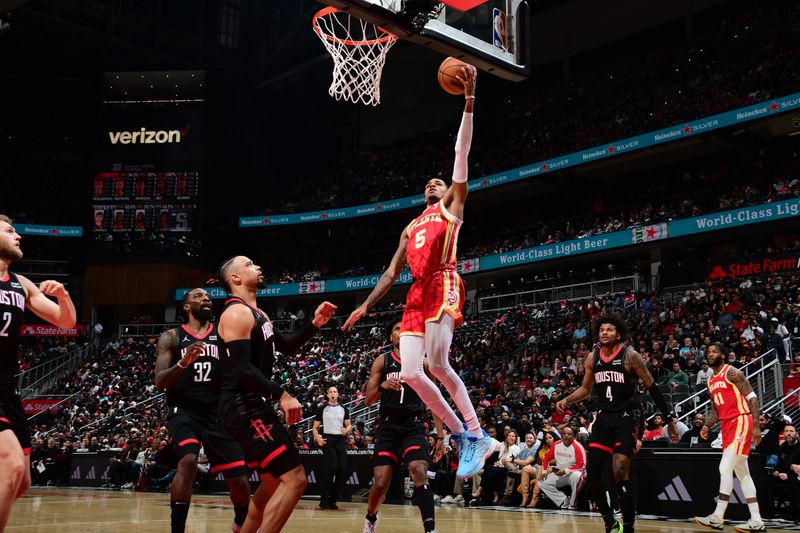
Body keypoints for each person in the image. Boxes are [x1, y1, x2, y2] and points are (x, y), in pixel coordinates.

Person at [342, 66, 497, 479]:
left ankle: (478, 434)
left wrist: (468, 103)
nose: (434, 182)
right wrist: (364, 306)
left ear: (448, 189)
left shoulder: (452, 206)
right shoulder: (410, 227)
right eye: (428, 182)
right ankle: (462, 435)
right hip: (414, 294)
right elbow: (391, 273)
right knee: (411, 372)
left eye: (439, 180)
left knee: (440, 363)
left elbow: (461, 154)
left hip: (444, 281)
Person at [216, 255, 336, 533]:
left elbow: (287, 346)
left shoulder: (260, 314)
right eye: (248, 265)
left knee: (271, 483)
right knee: (295, 479)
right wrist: (281, 394)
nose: (257, 266)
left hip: (248, 404)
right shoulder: (235, 313)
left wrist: (315, 323)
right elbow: (240, 369)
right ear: (235, 279)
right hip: (242, 404)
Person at [556, 315, 675, 533]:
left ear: (618, 334)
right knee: (592, 475)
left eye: (609, 330)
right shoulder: (593, 358)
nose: (604, 332)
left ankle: (628, 524)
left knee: (620, 468)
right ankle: (610, 522)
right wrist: (567, 399)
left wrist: (670, 420)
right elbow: (585, 389)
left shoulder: (631, 356)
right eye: (602, 329)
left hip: (627, 419)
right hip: (603, 419)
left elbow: (652, 386)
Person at [0, 214, 76, 529]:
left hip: (7, 387)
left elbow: (65, 322)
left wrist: (63, 295)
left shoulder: (21, 284)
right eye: (8, 229)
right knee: (11, 465)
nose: (17, 234)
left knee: (22, 481)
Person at [154, 288, 251, 533]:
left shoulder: (222, 334)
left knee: (239, 479)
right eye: (198, 296)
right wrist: (182, 362)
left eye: (208, 296)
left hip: (217, 413)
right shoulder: (172, 337)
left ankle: (240, 524)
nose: (206, 299)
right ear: (186, 306)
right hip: (183, 410)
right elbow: (160, 381)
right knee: (187, 461)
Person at [362, 320, 444, 533]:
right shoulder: (382, 361)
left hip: (414, 425)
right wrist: (381, 386)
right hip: (388, 426)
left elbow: (435, 401)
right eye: (396, 329)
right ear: (391, 336)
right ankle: (371, 516)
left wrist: (441, 436)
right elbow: (368, 400)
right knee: (381, 484)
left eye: (404, 328)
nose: (401, 332)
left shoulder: (424, 364)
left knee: (419, 470)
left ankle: (430, 529)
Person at [694, 343, 765, 532]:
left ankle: (718, 516)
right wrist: (707, 426)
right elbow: (715, 410)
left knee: (724, 466)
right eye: (708, 351)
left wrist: (756, 425)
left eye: (715, 351)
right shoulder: (710, 381)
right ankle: (757, 520)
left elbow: (752, 397)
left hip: (741, 420)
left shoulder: (732, 372)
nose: (710, 354)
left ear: (723, 355)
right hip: (726, 425)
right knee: (743, 473)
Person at [312, 386, 352, 510]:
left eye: (335, 391)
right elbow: (315, 427)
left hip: (340, 440)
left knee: (342, 468)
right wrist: (318, 438)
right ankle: (324, 500)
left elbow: (349, 424)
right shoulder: (322, 409)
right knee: (332, 467)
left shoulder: (343, 409)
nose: (333, 394)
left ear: (338, 394)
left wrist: (346, 430)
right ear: (327, 395)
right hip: (328, 440)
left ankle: (333, 500)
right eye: (330, 392)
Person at [537, 427, 586, 510]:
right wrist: (544, 471)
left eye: (569, 434)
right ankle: (563, 500)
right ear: (561, 435)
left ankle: (573, 503)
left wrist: (566, 471)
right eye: (564, 434)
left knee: (577, 477)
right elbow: (546, 459)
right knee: (542, 482)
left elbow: (582, 465)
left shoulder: (578, 447)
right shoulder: (556, 445)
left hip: (574, 472)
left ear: (573, 436)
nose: (566, 436)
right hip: (559, 471)